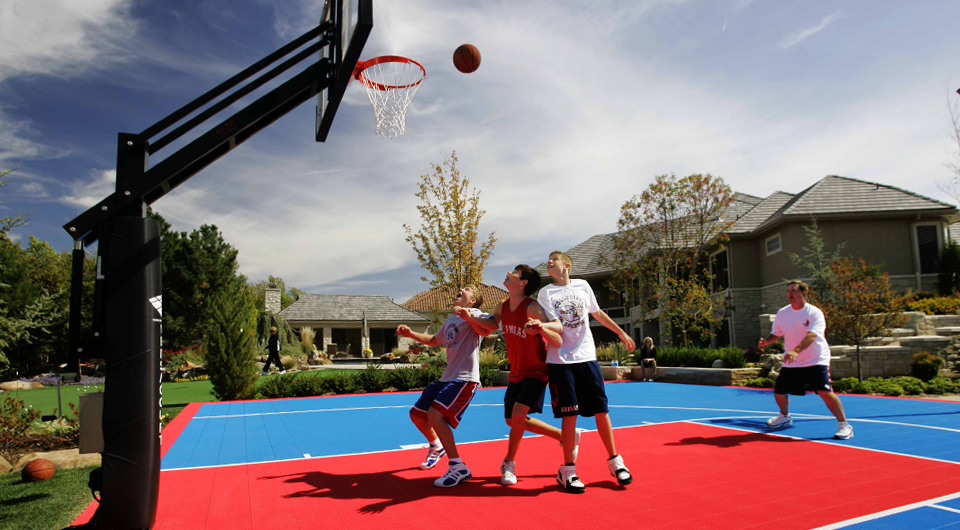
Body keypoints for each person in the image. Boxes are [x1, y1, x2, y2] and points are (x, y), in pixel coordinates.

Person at [527, 251, 636, 493]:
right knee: (570, 414)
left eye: (552, 260)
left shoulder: (583, 286)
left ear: (566, 265)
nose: (548, 263)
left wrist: (621, 332)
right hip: (561, 361)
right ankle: (567, 470)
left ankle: (615, 462)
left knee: (601, 411)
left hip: (587, 357)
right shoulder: (546, 293)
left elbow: (598, 314)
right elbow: (556, 324)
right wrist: (542, 325)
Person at [456, 264, 573, 486]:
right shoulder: (503, 305)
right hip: (517, 372)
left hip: (537, 370)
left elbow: (557, 337)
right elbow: (490, 325)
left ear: (523, 283)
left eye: (513, 272)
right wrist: (469, 317)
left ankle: (508, 463)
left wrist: (540, 328)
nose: (507, 273)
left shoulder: (533, 308)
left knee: (518, 416)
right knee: (512, 420)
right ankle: (563, 436)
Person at [396, 285, 489, 488]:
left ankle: (458, 467)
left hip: (464, 378)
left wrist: (469, 316)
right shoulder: (450, 319)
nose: (461, 289)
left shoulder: (475, 314)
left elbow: (489, 327)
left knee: (435, 415)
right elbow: (433, 340)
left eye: (466, 289)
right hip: (447, 378)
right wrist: (411, 333)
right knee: (417, 415)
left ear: (472, 301)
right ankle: (437, 446)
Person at [758, 280, 853, 440]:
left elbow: (812, 335)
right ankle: (784, 416)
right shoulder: (783, 313)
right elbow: (777, 333)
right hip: (793, 361)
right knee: (779, 391)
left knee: (824, 391)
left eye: (793, 290)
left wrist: (795, 350)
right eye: (788, 291)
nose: (789, 294)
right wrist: (767, 341)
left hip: (816, 359)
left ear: (803, 293)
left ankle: (844, 425)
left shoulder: (814, 313)